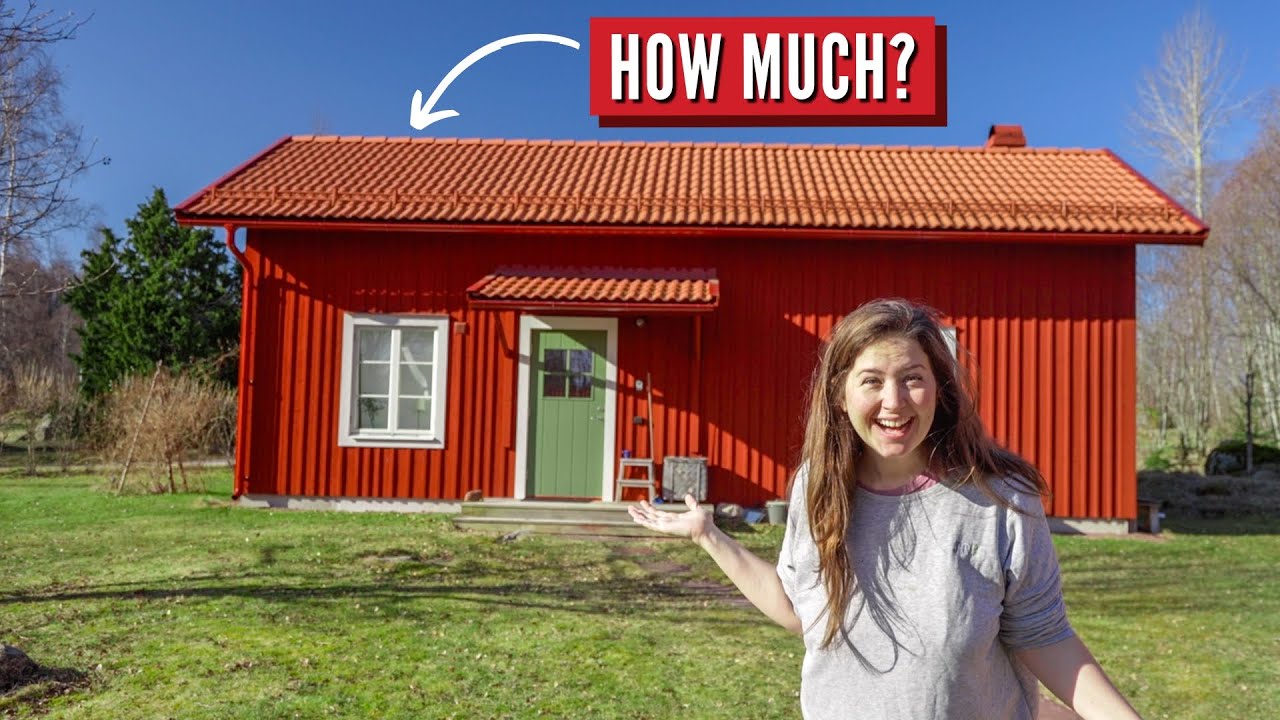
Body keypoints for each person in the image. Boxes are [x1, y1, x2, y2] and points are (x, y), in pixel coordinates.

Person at [628, 298, 1141, 720]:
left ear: (940, 389)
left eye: (912, 377)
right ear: (840, 394)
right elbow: (802, 613)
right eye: (871, 380)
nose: (894, 402)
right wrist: (708, 535)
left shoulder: (998, 498)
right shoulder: (818, 487)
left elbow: (1044, 636)